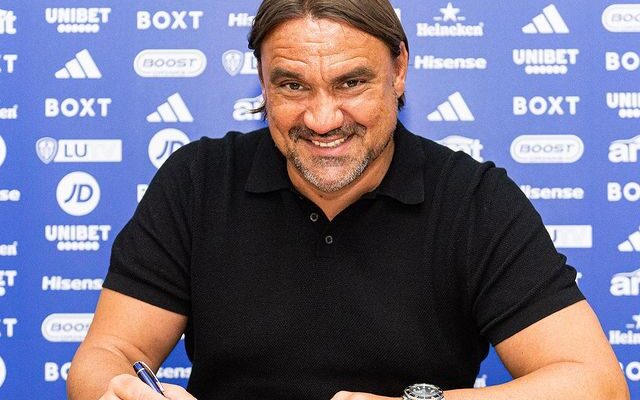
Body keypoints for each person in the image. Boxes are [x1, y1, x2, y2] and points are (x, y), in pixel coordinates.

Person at [67, 1, 630, 399]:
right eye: (292, 86)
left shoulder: (473, 199)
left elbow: (595, 383)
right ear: (262, 81)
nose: (321, 119)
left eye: (350, 83)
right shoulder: (198, 179)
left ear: (399, 70)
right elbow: (105, 355)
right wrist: (119, 392)